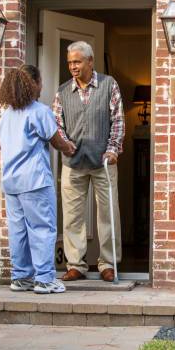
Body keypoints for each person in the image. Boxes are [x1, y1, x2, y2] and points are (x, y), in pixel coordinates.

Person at [0, 65, 76, 294]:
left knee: (18, 231)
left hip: (11, 181)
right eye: (40, 82)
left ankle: (21, 277)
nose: (42, 86)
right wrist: (69, 147)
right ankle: (44, 279)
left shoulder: (5, 113)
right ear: (32, 84)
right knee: (42, 228)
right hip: (34, 181)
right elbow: (55, 140)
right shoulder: (39, 111)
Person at [52, 41, 124, 282]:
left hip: (103, 162)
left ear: (90, 61)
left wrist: (113, 149)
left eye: (77, 62)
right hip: (73, 163)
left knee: (108, 214)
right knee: (72, 216)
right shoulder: (62, 92)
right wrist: (64, 143)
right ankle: (76, 265)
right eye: (70, 62)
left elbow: (118, 121)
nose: (73, 66)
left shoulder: (108, 85)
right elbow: (57, 125)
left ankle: (108, 264)